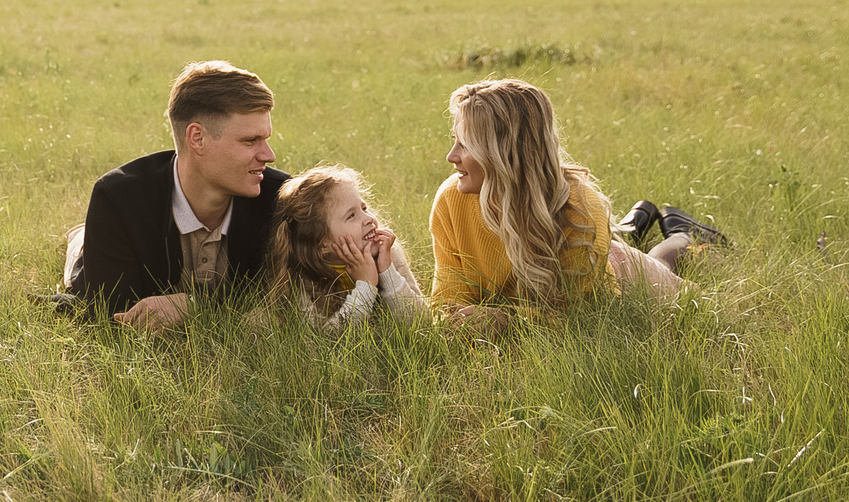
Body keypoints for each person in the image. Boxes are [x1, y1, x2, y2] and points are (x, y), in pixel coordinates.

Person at [428, 77, 711, 328]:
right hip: (591, 251)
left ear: (505, 153)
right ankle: (633, 225)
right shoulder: (450, 201)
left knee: (664, 266)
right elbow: (446, 302)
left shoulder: (581, 207)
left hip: (618, 278)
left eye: (465, 145)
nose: (451, 156)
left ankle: (683, 233)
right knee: (618, 243)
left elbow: (578, 317)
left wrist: (503, 320)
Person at [63, 60, 290, 332]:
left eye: (265, 139)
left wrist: (193, 306)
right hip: (103, 244)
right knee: (82, 271)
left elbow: (292, 302)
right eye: (250, 141)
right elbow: (110, 314)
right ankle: (81, 238)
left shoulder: (281, 198)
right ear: (197, 138)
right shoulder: (119, 199)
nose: (269, 155)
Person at [265, 165, 428, 332]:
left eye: (364, 208)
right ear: (322, 244)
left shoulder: (387, 252)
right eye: (351, 215)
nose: (370, 219)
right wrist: (366, 286)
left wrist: (387, 273)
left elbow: (422, 324)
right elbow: (330, 345)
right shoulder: (302, 282)